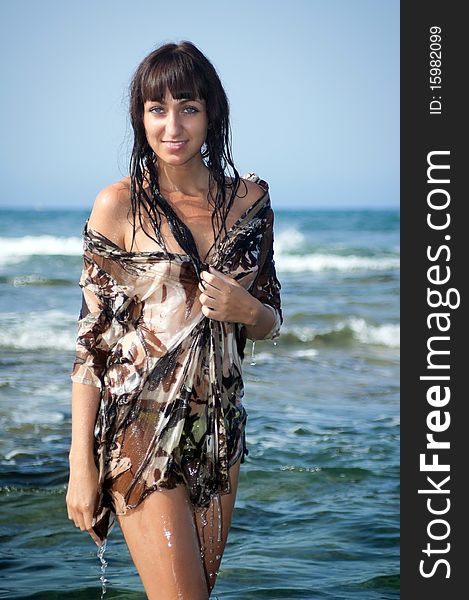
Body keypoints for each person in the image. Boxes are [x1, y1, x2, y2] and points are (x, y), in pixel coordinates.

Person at [65, 40, 283, 599]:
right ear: (140, 117)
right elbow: (93, 345)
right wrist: (80, 465)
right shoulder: (118, 207)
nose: (172, 126)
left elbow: (270, 320)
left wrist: (249, 309)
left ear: (212, 112)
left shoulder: (250, 204)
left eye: (187, 107)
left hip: (219, 430)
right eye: (156, 109)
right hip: (140, 429)